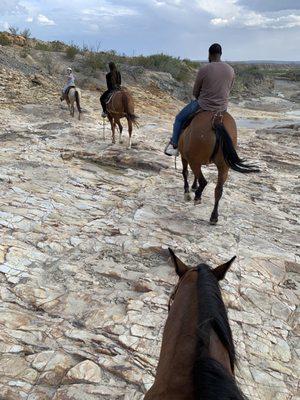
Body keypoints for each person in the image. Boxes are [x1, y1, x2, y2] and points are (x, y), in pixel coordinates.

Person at [164, 43, 235, 156]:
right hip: (222, 107)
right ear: (220, 54)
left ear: (209, 54)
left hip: (204, 104)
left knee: (179, 119)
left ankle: (174, 145)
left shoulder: (204, 69)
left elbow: (195, 91)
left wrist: (199, 97)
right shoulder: (231, 70)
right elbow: (229, 89)